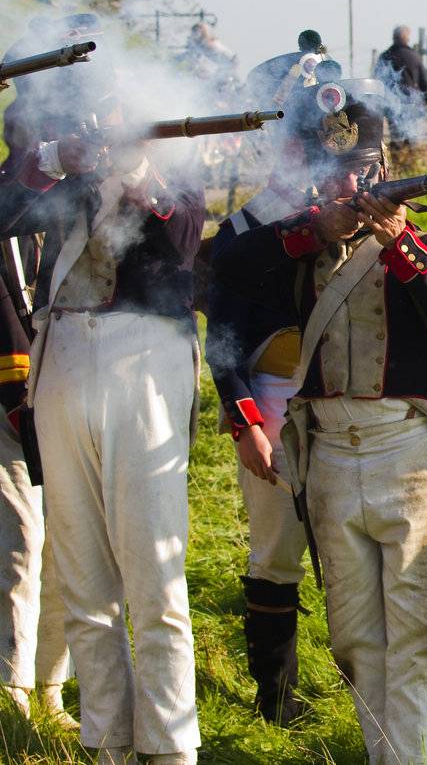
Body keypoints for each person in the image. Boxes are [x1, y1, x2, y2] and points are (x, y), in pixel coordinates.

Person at [211, 78, 427, 765]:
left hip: (408, 452)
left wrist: (399, 240)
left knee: (418, 633)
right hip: (329, 454)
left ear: (383, 170)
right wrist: (310, 232)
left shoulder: (423, 243)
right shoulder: (291, 253)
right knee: (355, 637)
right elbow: (222, 268)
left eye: (361, 171)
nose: (350, 184)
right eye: (335, 174)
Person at [0, 58, 205, 765]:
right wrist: (52, 159)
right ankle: (107, 744)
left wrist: (140, 177)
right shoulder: (60, 169)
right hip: (62, 359)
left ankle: (172, 747)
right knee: (82, 577)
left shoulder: (175, 163)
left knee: (155, 578)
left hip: (142, 358)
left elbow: (183, 244)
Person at [203, 65, 329, 725]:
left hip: (346, 408)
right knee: (275, 554)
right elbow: (223, 340)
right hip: (274, 405)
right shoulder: (243, 227)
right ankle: (275, 701)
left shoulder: (353, 217)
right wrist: (248, 421)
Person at [0, 91, 74, 732]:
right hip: (8, 390)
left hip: (62, 389)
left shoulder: (75, 203)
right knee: (22, 543)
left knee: (65, 544)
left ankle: (50, 686)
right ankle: (14, 692)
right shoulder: (9, 195)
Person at [377, 25, 427, 155]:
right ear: (407, 38)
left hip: (391, 103)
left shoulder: (385, 56)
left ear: (393, 38)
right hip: (412, 103)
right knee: (410, 134)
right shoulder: (414, 56)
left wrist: (380, 102)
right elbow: (425, 82)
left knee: (396, 135)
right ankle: (410, 163)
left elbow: (377, 81)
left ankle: (398, 164)